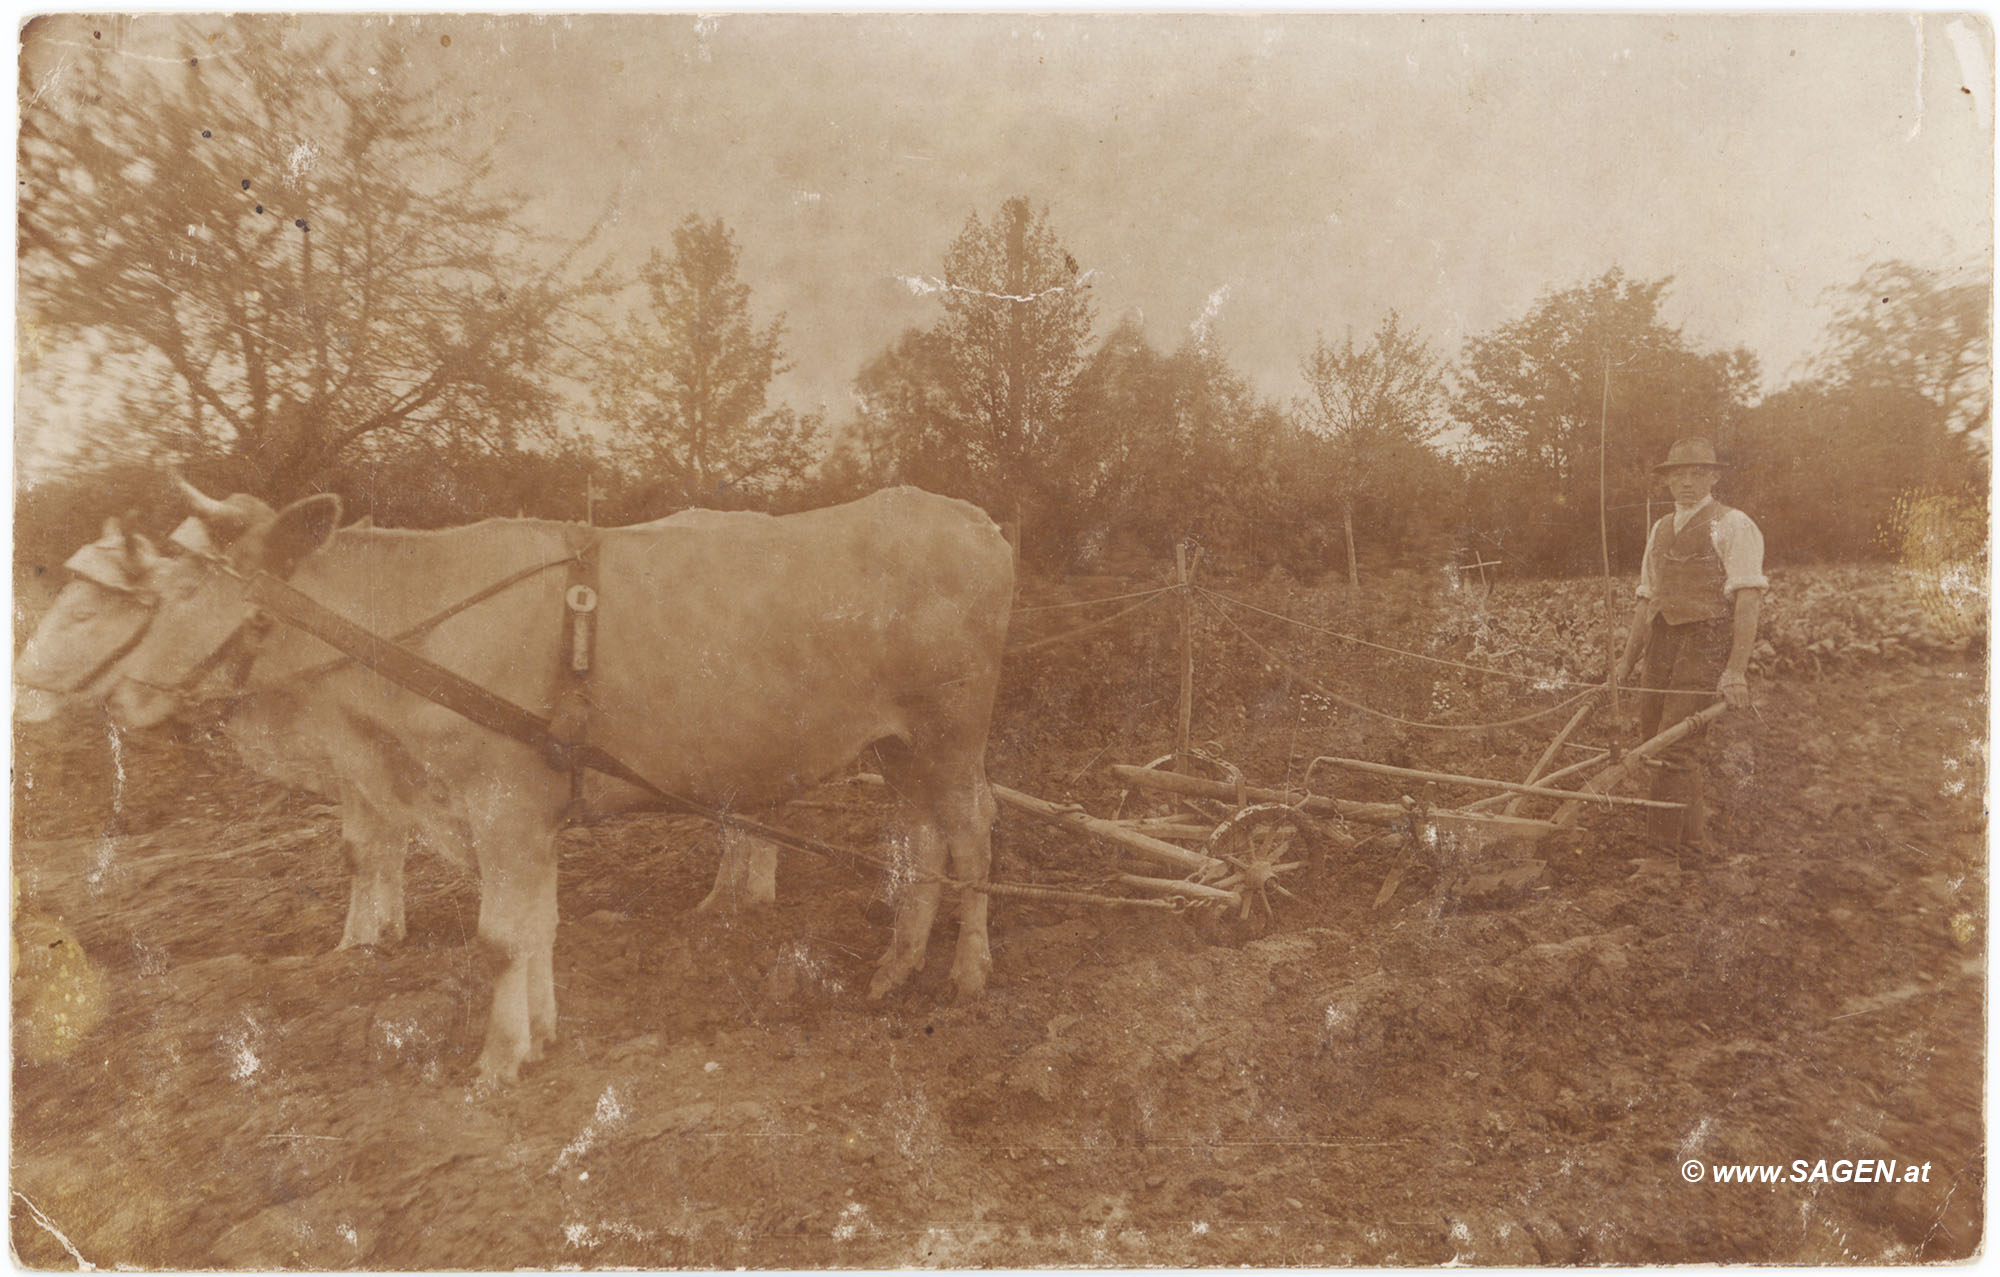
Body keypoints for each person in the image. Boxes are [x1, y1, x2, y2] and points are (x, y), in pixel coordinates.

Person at [1611, 437, 1766, 851]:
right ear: (1666, 481)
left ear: (1713, 476)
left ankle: (1662, 859)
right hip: (1662, 642)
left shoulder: (1733, 524)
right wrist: (1626, 662)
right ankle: (1693, 845)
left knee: (1674, 747)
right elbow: (1647, 599)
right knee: (1653, 742)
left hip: (1705, 642)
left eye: (1697, 473)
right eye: (1678, 474)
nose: (1687, 482)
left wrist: (1734, 670)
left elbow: (1748, 599)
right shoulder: (1661, 528)